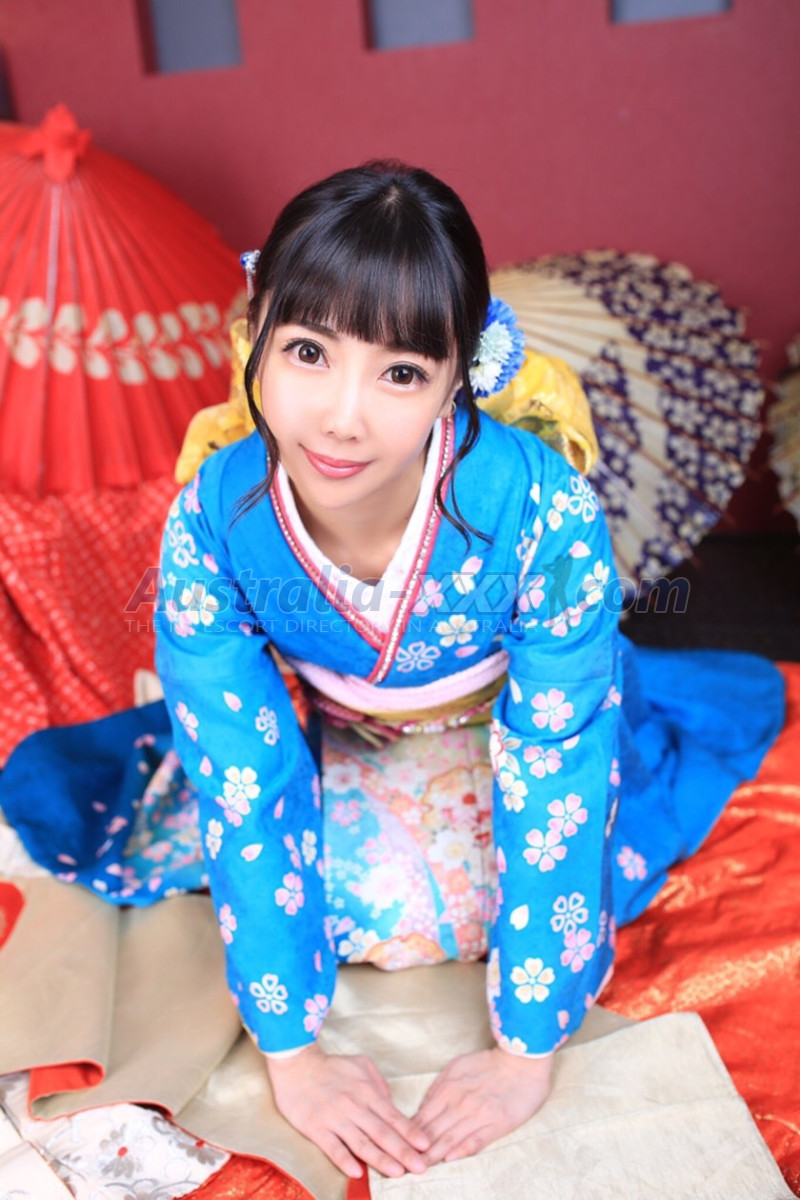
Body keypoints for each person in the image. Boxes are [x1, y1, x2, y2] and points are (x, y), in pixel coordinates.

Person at [0, 159, 785, 1183]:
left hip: (512, 730)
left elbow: (555, 759)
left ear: (462, 374)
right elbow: (242, 775)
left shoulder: (540, 509)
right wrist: (291, 1053)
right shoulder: (213, 518)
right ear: (253, 335)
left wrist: (526, 1049)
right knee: (285, 864)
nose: (341, 417)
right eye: (307, 352)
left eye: (401, 374)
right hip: (337, 732)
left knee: (451, 901)